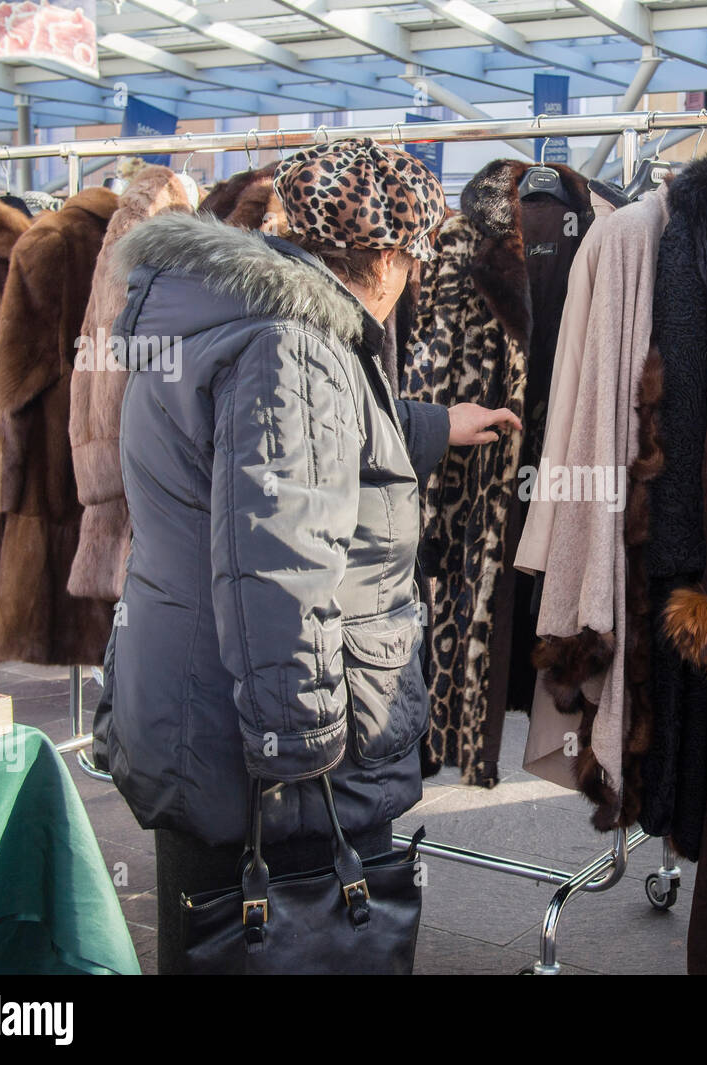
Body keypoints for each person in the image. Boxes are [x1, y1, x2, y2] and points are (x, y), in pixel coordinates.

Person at [102, 138, 518, 973]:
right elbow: (278, 568)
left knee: (208, 937)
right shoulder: (293, 346)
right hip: (268, 762)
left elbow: (289, 464)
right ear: (392, 251)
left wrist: (432, 424)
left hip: (196, 708)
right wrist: (300, 765)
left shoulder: (233, 310)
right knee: (277, 940)